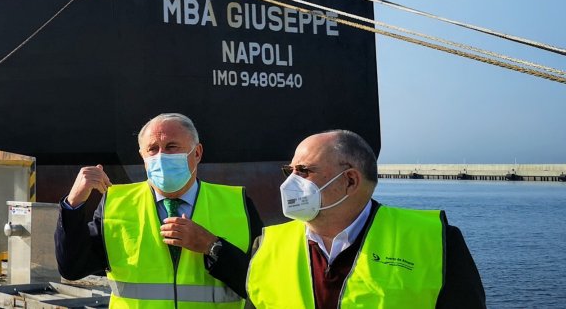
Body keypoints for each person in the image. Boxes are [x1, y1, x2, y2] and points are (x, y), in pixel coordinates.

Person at [246, 130, 485, 308]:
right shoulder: (267, 245)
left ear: (350, 180)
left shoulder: (436, 241)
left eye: (304, 171)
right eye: (290, 171)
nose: (290, 183)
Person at [56, 113, 262, 307]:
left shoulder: (237, 203)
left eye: (171, 147)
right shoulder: (116, 202)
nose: (161, 156)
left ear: (197, 153)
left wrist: (213, 246)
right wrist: (73, 203)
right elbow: (72, 268)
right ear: (142, 156)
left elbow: (263, 282)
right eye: (152, 149)